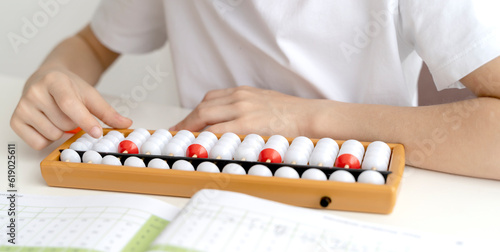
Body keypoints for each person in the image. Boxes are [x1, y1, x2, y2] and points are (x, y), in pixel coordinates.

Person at [10, 1, 500, 180]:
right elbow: (92, 46)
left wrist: (309, 118)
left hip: (352, 193)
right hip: (197, 183)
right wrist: (52, 76)